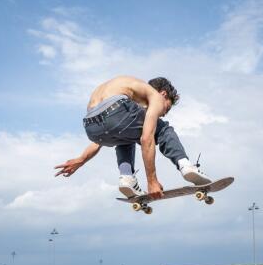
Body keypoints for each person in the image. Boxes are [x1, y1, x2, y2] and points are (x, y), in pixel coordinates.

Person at [54, 76, 210, 199]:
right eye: (167, 107)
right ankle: (186, 166)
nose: (163, 112)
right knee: (162, 129)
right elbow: (146, 139)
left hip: (91, 126)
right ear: (163, 94)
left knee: (126, 135)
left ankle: (126, 177)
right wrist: (152, 181)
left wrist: (81, 160)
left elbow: (98, 140)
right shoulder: (154, 95)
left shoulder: (124, 90)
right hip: (116, 112)